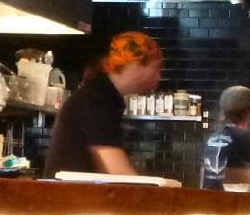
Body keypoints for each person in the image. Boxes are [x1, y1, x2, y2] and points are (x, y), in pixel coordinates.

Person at [43, 31, 162, 177]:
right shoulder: (98, 98)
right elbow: (118, 172)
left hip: (75, 196)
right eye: (156, 68)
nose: (158, 77)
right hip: (67, 197)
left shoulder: (105, 95)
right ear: (137, 64)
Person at [200, 85, 250, 189]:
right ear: (246, 111)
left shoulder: (211, 139)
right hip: (235, 201)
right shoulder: (249, 139)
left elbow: (203, 176)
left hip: (209, 200)